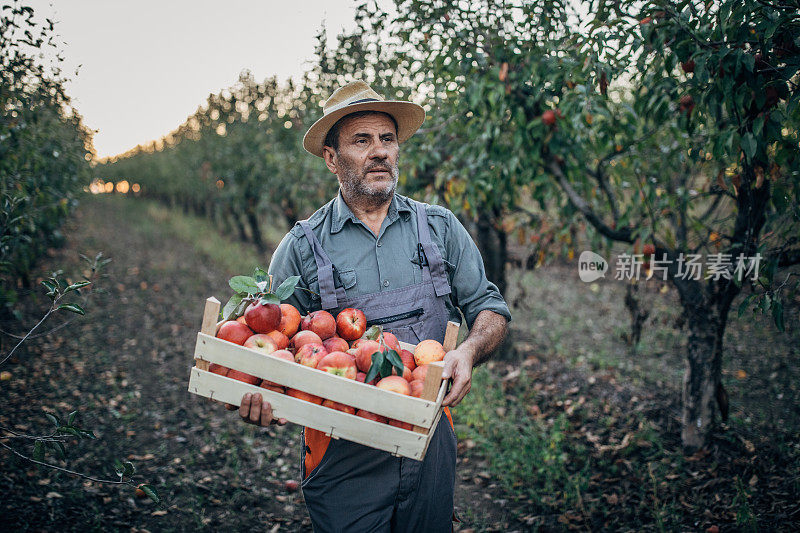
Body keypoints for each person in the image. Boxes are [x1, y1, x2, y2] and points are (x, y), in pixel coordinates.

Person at [232, 80, 511, 532]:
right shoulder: (303, 246)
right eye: (362, 140)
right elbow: (271, 339)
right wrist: (257, 392)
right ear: (331, 158)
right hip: (343, 450)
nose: (379, 151)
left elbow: (489, 307)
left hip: (428, 439)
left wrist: (469, 351)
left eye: (387, 139)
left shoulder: (439, 228)